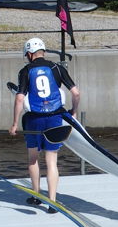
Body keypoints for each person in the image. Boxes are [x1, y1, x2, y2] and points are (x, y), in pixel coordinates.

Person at [9, 37, 81, 212]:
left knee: (33, 158)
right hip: (55, 118)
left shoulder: (25, 71)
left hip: (33, 119)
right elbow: (76, 93)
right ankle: (52, 202)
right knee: (52, 160)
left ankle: (36, 196)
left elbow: (19, 99)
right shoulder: (57, 68)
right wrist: (74, 111)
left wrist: (15, 123)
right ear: (43, 52)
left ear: (29, 54)